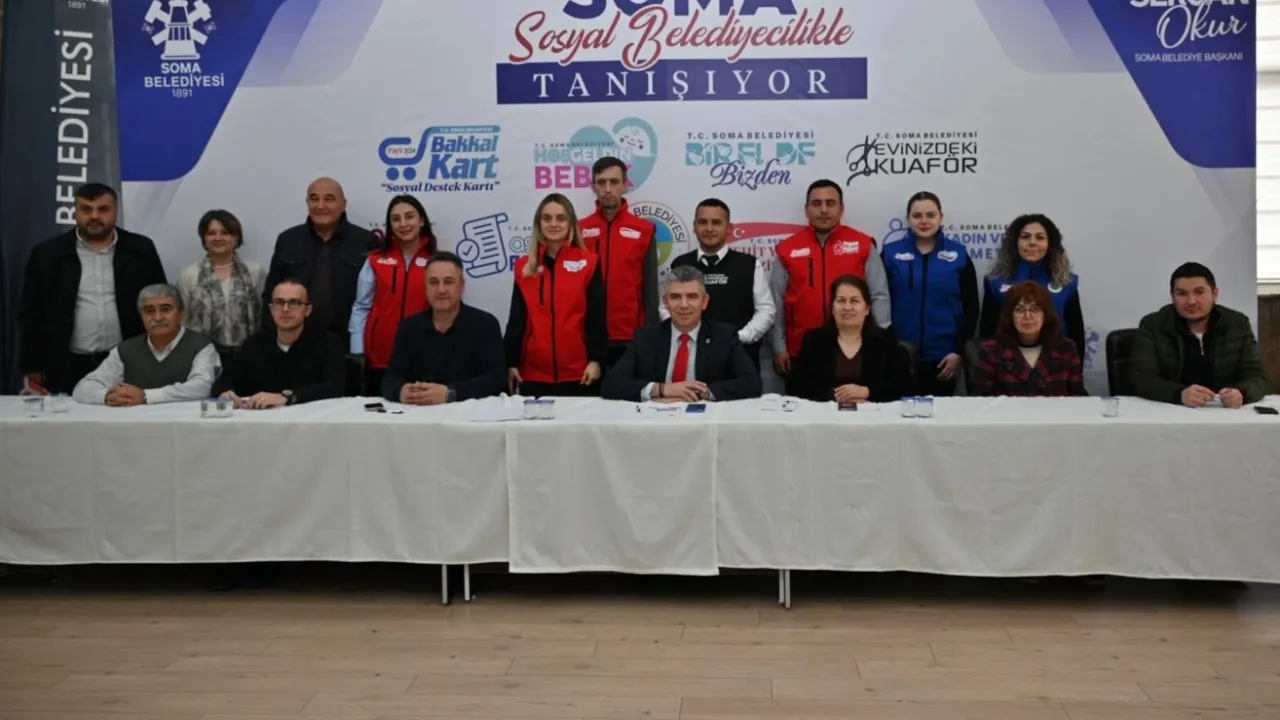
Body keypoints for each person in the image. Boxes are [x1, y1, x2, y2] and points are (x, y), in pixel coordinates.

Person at [19, 182, 167, 394]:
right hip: (68, 365)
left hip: (128, 363)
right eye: (86, 209)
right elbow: (31, 313)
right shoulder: (47, 254)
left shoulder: (141, 249)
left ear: (116, 211)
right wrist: (32, 364)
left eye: (103, 209)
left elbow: (160, 304)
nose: (94, 216)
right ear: (75, 212)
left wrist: (160, 355)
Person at [770, 179, 891, 394]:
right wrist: (779, 347)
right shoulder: (787, 249)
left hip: (855, 351)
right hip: (802, 352)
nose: (824, 210)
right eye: (816, 203)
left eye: (830, 203)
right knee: (806, 410)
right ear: (806, 209)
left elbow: (879, 295)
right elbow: (776, 302)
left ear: (841, 209)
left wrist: (879, 342)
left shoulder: (862, 245)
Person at [603, 265, 762, 402]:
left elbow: (752, 383)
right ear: (665, 302)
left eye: (692, 297)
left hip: (705, 419)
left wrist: (700, 392)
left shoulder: (724, 336)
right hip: (656, 419)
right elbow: (611, 384)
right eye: (675, 297)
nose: (684, 305)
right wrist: (662, 389)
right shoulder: (646, 337)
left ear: (704, 302)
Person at [504, 193, 607, 397]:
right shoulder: (524, 267)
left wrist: (596, 360)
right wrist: (511, 362)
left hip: (580, 374)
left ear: (570, 223)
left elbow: (596, 317)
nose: (553, 224)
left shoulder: (588, 263)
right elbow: (517, 319)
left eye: (560, 218)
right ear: (538, 224)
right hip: (533, 375)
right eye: (546, 218)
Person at [1131, 262, 1269, 408]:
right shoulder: (1153, 325)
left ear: (1214, 294)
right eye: (1182, 293)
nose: (1191, 301)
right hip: (1173, 409)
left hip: (1222, 410)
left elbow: (1257, 377)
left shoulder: (1237, 324)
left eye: (1199, 292)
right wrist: (1179, 394)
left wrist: (1241, 393)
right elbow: (1141, 378)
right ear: (1172, 296)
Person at [262, 177, 378, 347]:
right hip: (295, 342)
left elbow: (375, 300)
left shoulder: (366, 242)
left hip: (347, 344)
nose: (320, 206)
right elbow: (271, 295)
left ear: (343, 204)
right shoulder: (288, 240)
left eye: (329, 199)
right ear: (307, 203)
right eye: (314, 199)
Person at [882, 192, 978, 396]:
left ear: (941, 218)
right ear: (908, 219)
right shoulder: (890, 253)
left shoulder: (958, 254)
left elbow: (971, 307)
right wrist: (887, 345)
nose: (924, 221)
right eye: (917, 215)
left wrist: (958, 351)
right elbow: (879, 302)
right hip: (900, 353)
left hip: (944, 358)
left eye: (931, 215)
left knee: (939, 413)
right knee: (900, 413)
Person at [382, 252, 506, 404]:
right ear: (425, 286)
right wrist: (400, 391)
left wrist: (450, 393)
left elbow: (496, 380)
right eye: (433, 282)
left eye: (449, 282)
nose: (441, 290)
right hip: (418, 413)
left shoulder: (485, 324)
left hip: (469, 414)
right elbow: (390, 379)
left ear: (462, 285)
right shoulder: (409, 327)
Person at [665, 198, 775, 370]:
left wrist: (738, 338)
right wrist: (687, 335)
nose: (709, 228)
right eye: (703, 222)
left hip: (740, 356)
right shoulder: (680, 264)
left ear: (729, 227)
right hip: (689, 355)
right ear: (694, 226)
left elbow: (766, 310)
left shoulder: (750, 264)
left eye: (716, 222)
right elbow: (665, 308)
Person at [71, 284, 221, 405]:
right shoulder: (126, 350)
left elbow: (202, 387)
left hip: (184, 426)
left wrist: (145, 396)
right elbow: (83, 388)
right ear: (141, 316)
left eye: (165, 309)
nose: (157, 317)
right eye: (149, 311)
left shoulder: (201, 346)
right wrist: (107, 396)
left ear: (181, 313)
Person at [349, 195, 437, 394]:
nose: (403, 224)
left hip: (424, 355)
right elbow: (361, 307)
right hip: (379, 357)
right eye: (396, 219)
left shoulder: (436, 262)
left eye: (409, 216)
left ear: (421, 220)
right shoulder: (375, 261)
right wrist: (357, 351)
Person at [213, 279, 345, 408]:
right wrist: (225, 393)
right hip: (261, 419)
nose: (285, 309)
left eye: (294, 302)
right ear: (271, 309)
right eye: (279, 302)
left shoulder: (328, 342)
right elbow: (223, 382)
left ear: (307, 310)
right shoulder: (254, 344)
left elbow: (334, 387)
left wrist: (288, 397)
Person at [578, 156, 659, 367]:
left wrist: (651, 333)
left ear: (625, 185)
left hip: (629, 338)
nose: (608, 189)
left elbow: (650, 290)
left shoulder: (644, 230)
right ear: (593, 186)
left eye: (614, 182)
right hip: (587, 337)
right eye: (601, 182)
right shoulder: (578, 230)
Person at [791, 275, 910, 404]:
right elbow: (798, 386)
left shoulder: (885, 341)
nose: (847, 307)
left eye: (854, 301)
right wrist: (836, 395)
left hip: (872, 413)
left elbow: (901, 386)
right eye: (841, 301)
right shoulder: (814, 341)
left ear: (867, 309)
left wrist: (868, 392)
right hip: (825, 413)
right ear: (832, 308)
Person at [979, 213, 1085, 352]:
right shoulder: (995, 282)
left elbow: (1076, 333)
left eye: (1040, 237)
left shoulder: (1066, 282)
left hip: (1057, 360)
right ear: (1015, 242)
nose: (1032, 242)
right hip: (1007, 361)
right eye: (1025, 237)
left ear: (1050, 244)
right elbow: (987, 333)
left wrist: (1076, 365)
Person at [177, 209, 266, 368]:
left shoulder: (255, 271)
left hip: (248, 357)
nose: (218, 238)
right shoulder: (190, 274)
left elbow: (263, 315)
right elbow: (183, 320)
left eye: (225, 232)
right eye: (211, 233)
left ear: (236, 237)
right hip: (202, 358)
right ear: (204, 239)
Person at [971, 281, 1085, 397]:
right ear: (1010, 315)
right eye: (1020, 310)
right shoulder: (992, 350)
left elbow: (1078, 397)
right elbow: (981, 400)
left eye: (1035, 309)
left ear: (1046, 315)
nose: (1027, 316)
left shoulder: (1066, 348)